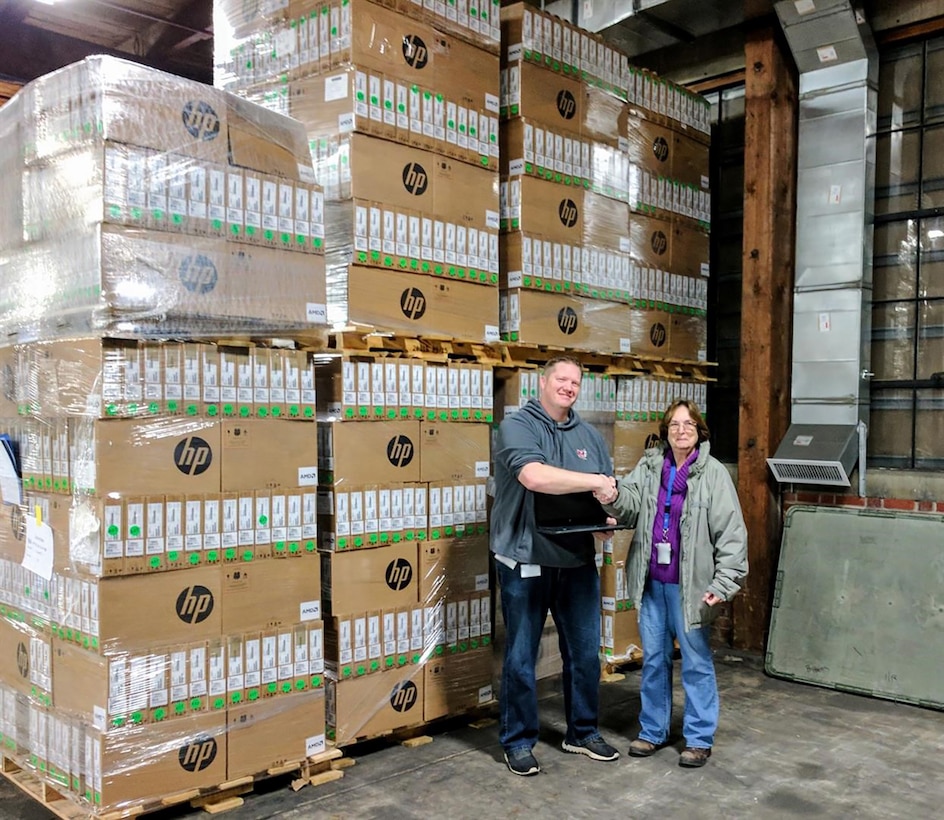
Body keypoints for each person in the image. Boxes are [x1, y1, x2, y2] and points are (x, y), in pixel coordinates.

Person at [594, 399, 747, 768]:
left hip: (691, 587)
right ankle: (652, 731)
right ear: (666, 431)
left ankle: (698, 738)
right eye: (675, 425)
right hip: (652, 584)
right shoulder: (650, 467)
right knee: (655, 661)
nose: (681, 431)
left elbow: (732, 534)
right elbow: (629, 505)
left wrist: (724, 581)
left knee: (695, 662)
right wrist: (613, 495)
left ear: (699, 432)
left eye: (689, 424)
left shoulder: (713, 474)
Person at [491, 355, 620, 776]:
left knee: (584, 654)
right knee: (522, 657)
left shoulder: (588, 435)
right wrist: (596, 483)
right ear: (542, 382)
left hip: (577, 559)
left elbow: (600, 490)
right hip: (526, 557)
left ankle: (581, 732)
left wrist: (602, 521)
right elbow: (534, 477)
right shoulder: (518, 426)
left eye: (576, 382)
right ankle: (518, 740)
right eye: (561, 379)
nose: (569, 387)